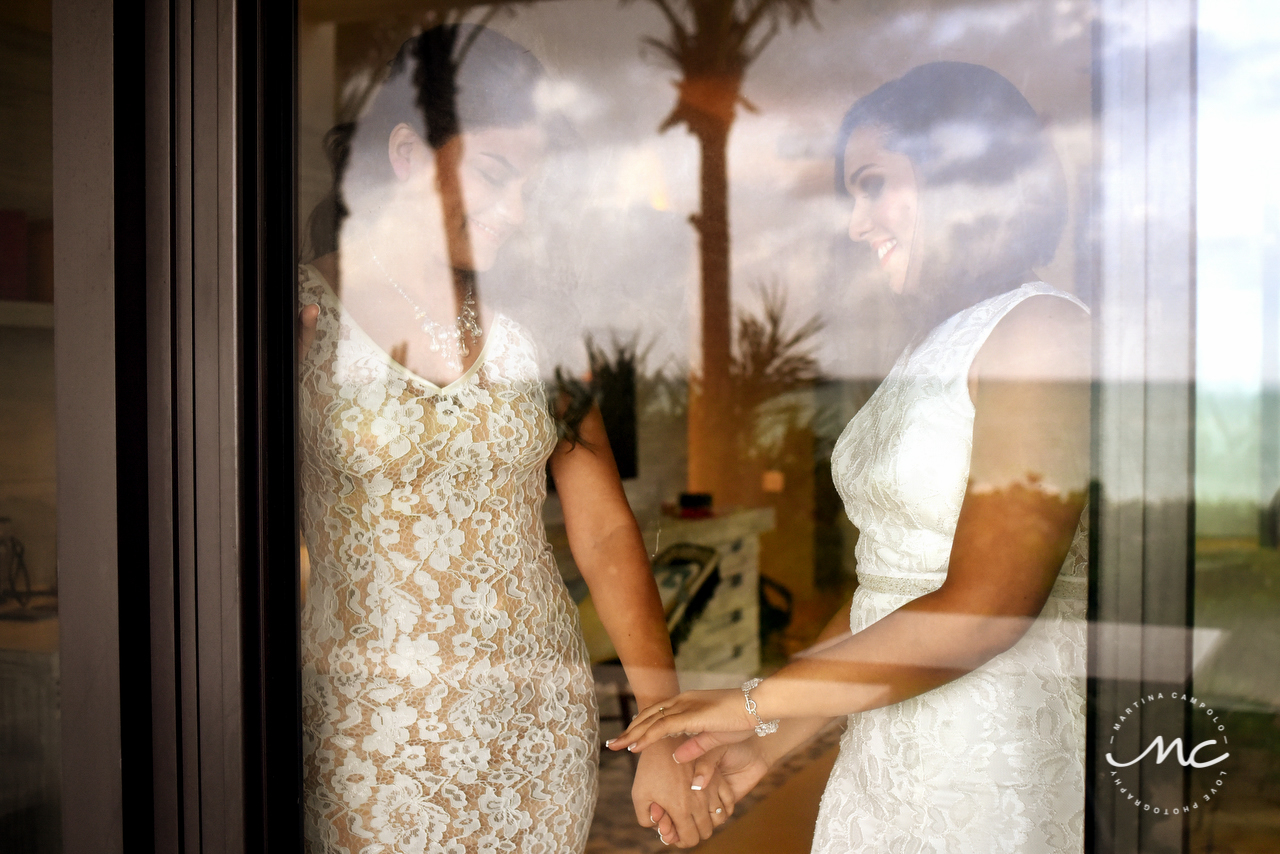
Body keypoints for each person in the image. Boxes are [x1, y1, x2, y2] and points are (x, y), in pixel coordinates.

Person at [609, 61, 1090, 853]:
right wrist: (767, 745)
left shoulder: (1042, 335)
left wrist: (753, 701)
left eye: (873, 185)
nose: (858, 221)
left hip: (988, 756)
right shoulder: (931, 346)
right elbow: (888, 588)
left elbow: (987, 607)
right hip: (887, 759)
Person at [297, 25, 728, 852]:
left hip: (538, 727)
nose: (519, 211)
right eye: (497, 174)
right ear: (407, 154)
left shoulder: (537, 327)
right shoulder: (296, 315)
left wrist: (661, 729)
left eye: (534, 186)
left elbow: (603, 534)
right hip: (365, 740)